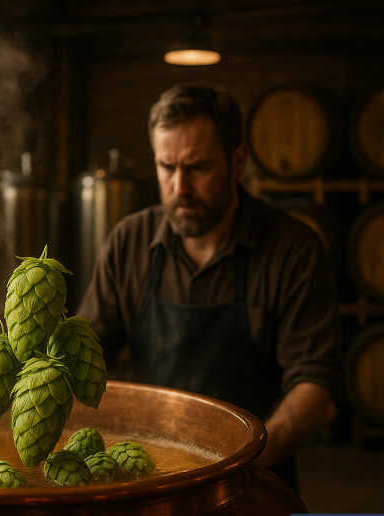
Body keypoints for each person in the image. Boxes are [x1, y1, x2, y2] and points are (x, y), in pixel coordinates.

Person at [76, 84, 342, 489]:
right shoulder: (130, 241)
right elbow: (86, 359)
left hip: (254, 481)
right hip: (151, 479)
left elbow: (316, 392)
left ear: (237, 162)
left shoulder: (293, 251)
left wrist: (238, 471)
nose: (179, 187)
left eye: (198, 168)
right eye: (167, 167)